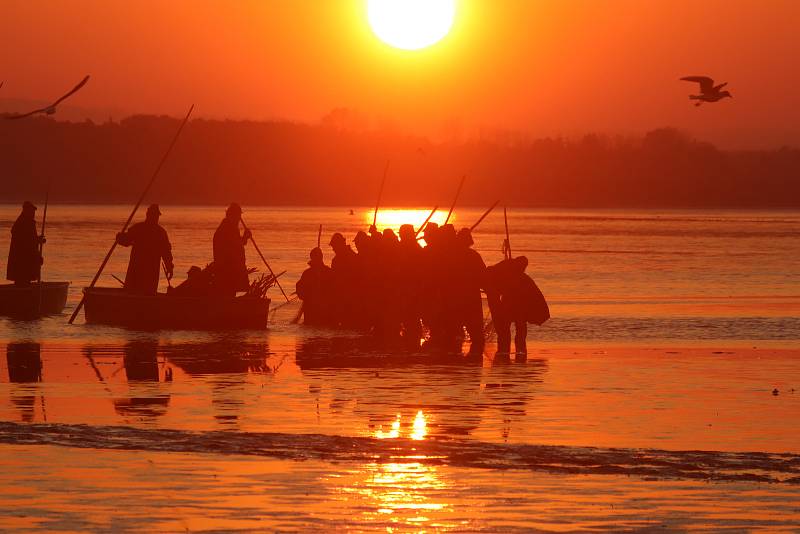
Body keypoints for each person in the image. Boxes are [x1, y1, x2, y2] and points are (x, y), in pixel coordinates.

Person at [116, 204, 173, 295]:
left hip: (149, 271)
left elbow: (166, 252)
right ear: (149, 215)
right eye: (155, 215)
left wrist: (169, 267)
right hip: (138, 270)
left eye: (157, 216)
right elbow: (126, 241)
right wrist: (120, 237)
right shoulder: (141, 229)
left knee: (143, 293)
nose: (156, 218)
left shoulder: (156, 232)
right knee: (136, 292)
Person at [213, 203, 251, 298]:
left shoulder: (231, 227)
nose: (239, 219)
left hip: (229, 270)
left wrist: (245, 238)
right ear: (231, 215)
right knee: (228, 294)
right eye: (238, 216)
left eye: (239, 216)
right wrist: (245, 237)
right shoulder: (227, 228)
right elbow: (235, 246)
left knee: (230, 294)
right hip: (227, 270)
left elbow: (237, 244)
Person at [6, 201, 44, 286]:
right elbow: (28, 242)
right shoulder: (26, 223)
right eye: (32, 211)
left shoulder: (22, 222)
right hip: (24, 261)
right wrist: (37, 241)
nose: (33, 213)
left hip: (21, 262)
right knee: (23, 280)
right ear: (27, 211)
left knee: (21, 281)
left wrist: (38, 240)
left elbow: (29, 239)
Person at [296, 247, 335, 326]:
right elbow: (300, 289)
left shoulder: (327, 272)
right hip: (313, 310)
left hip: (321, 310)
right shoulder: (309, 274)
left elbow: (334, 290)